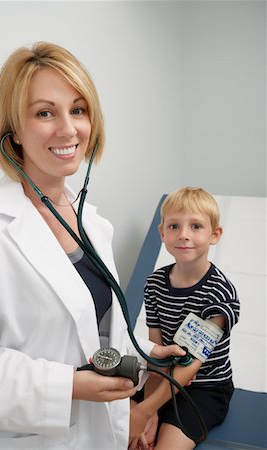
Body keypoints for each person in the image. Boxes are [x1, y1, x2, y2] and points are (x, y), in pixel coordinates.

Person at [0, 42, 185, 450]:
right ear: (13, 131)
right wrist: (66, 386)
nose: (68, 129)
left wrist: (145, 359)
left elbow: (95, 331)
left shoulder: (95, 223)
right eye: (44, 112)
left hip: (102, 433)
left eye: (79, 109)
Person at [129, 187, 240, 450]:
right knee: (126, 437)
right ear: (162, 233)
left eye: (196, 226)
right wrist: (151, 409)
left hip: (205, 387)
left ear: (215, 235)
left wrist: (145, 410)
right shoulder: (155, 283)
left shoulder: (219, 292)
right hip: (164, 376)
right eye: (175, 226)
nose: (184, 235)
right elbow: (156, 352)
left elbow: (191, 364)